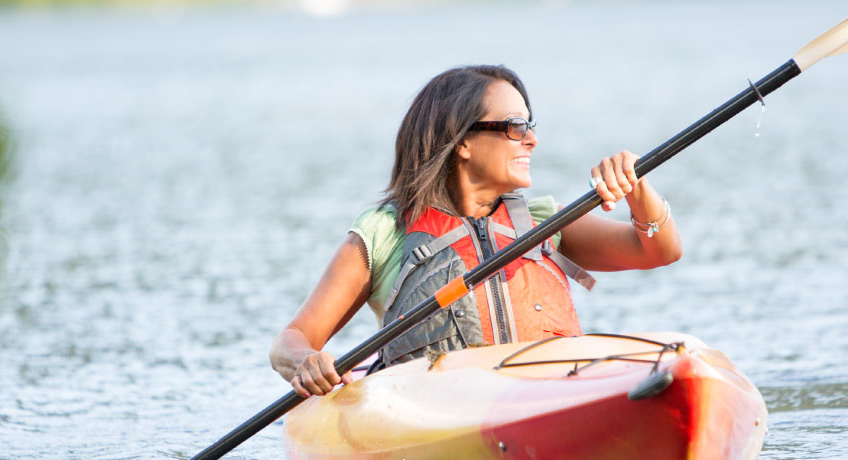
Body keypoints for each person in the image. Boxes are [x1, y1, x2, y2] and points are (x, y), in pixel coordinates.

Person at [269, 65, 682, 398]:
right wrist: (306, 361)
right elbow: (292, 339)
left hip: (552, 394)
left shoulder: (545, 221)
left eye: (531, 126)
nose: (533, 140)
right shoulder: (385, 232)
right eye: (516, 126)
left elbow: (658, 251)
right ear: (462, 141)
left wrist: (637, 188)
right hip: (443, 415)